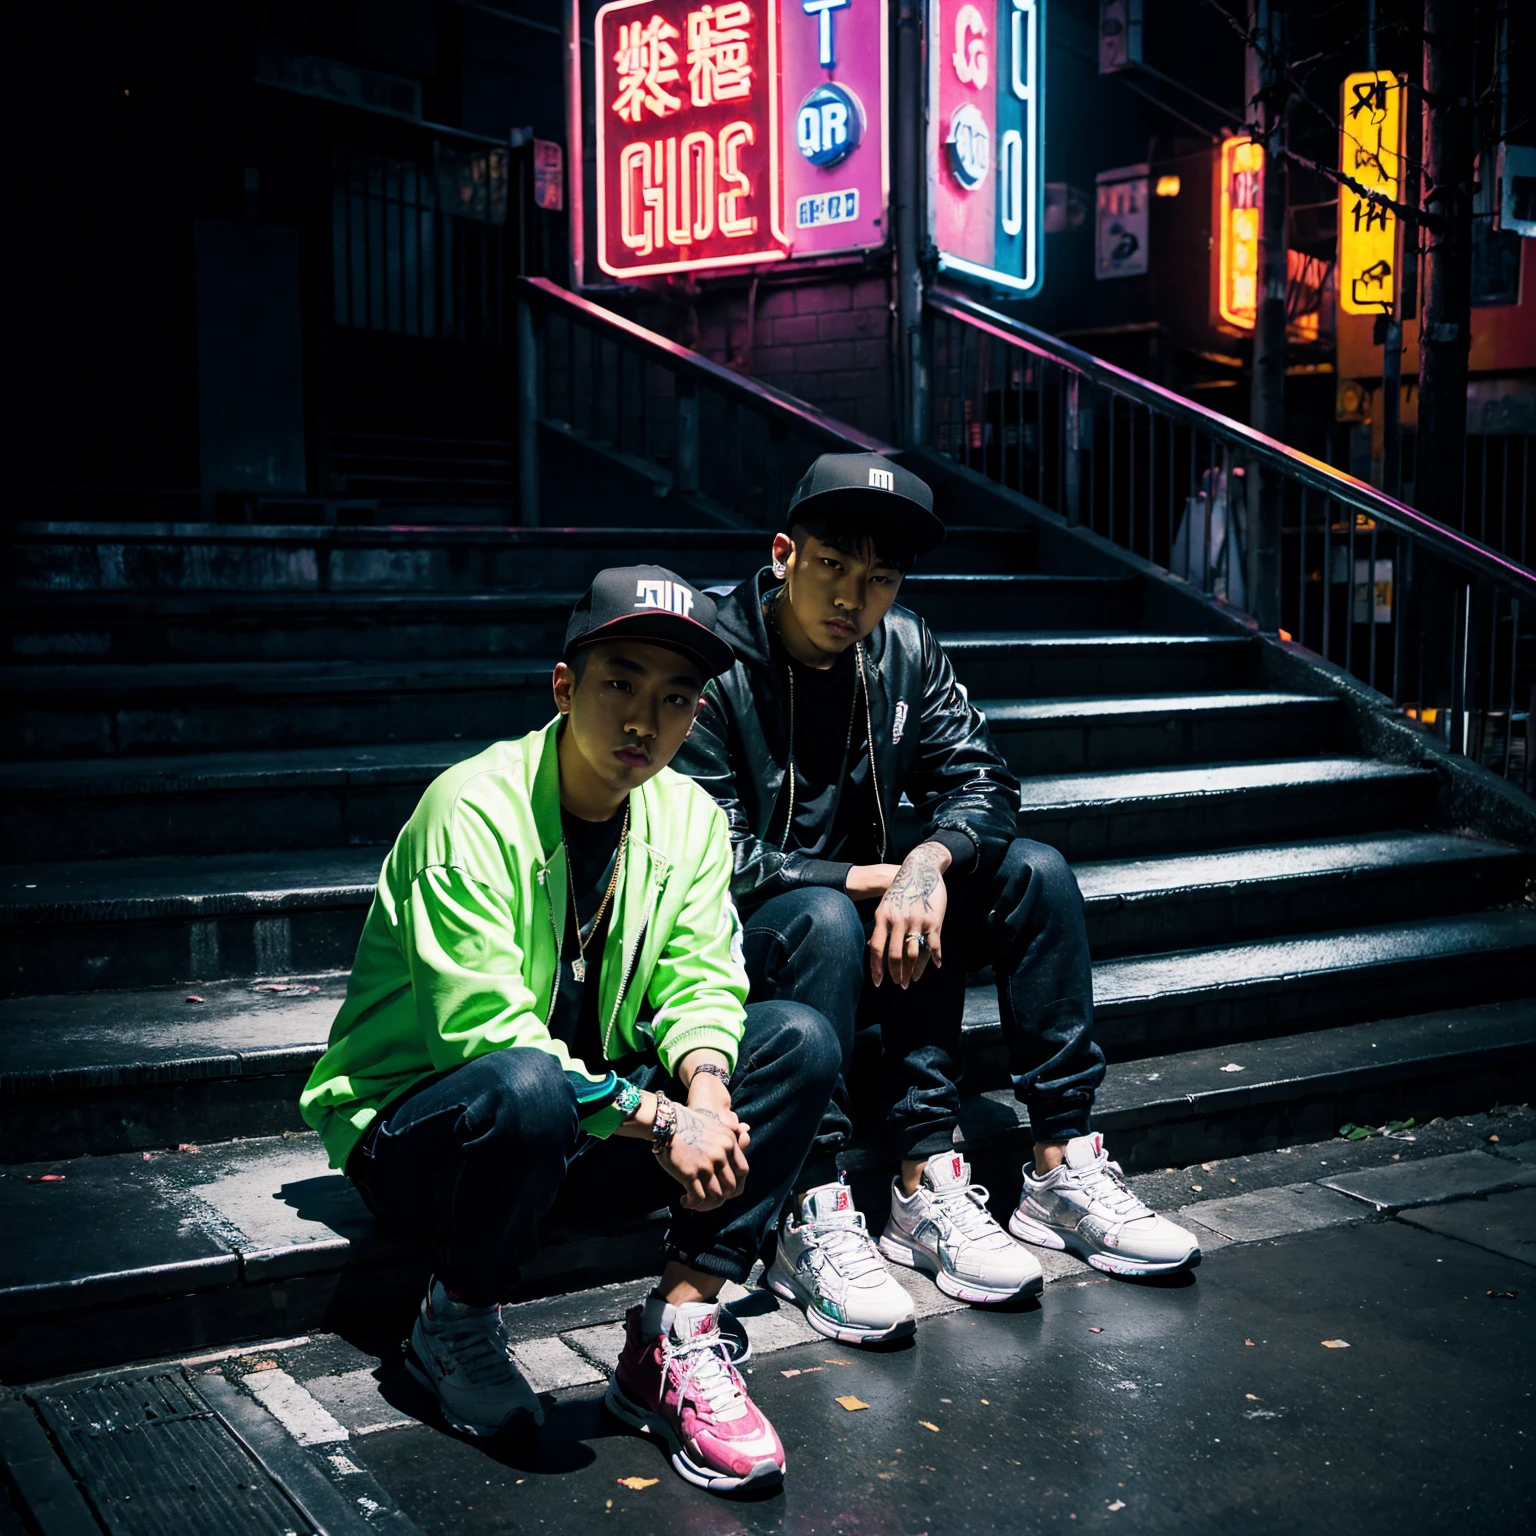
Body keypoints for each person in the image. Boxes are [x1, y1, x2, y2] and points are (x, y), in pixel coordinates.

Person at [300, 566, 843, 1494]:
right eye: (619, 684)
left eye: (674, 700)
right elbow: (480, 1033)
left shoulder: (687, 818)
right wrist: (670, 1123)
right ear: (564, 687)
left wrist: (707, 1088)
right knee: (525, 1083)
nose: (644, 720)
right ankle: (454, 1322)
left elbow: (704, 975)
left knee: (797, 1038)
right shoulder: (471, 808)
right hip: (428, 1140)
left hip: (579, 1128)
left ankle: (672, 1334)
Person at [672, 454, 1200, 1344]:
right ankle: (814, 1201)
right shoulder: (714, 661)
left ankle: (1053, 1165)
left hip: (884, 930)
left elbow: (981, 780)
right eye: (832, 566)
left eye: (879, 578)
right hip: (762, 942)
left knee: (1033, 869)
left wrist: (924, 861)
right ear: (782, 555)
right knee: (827, 914)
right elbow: (705, 847)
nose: (853, 598)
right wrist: (861, 879)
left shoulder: (906, 646)